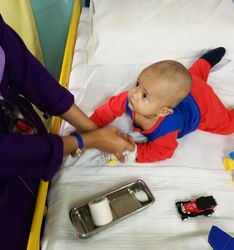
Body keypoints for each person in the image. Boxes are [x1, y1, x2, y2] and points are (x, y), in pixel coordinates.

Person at [0, 15, 134, 250]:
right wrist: (85, 140)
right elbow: (6, 153)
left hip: (21, 138)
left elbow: (27, 71)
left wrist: (94, 132)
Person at [90, 47, 234, 163]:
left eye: (145, 95)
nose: (134, 93)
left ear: (163, 112)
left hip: (202, 104)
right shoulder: (129, 99)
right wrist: (92, 127)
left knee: (227, 125)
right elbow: (108, 109)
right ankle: (205, 62)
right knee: (188, 78)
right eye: (138, 83)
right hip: (191, 84)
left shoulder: (167, 129)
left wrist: (134, 151)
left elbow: (163, 152)